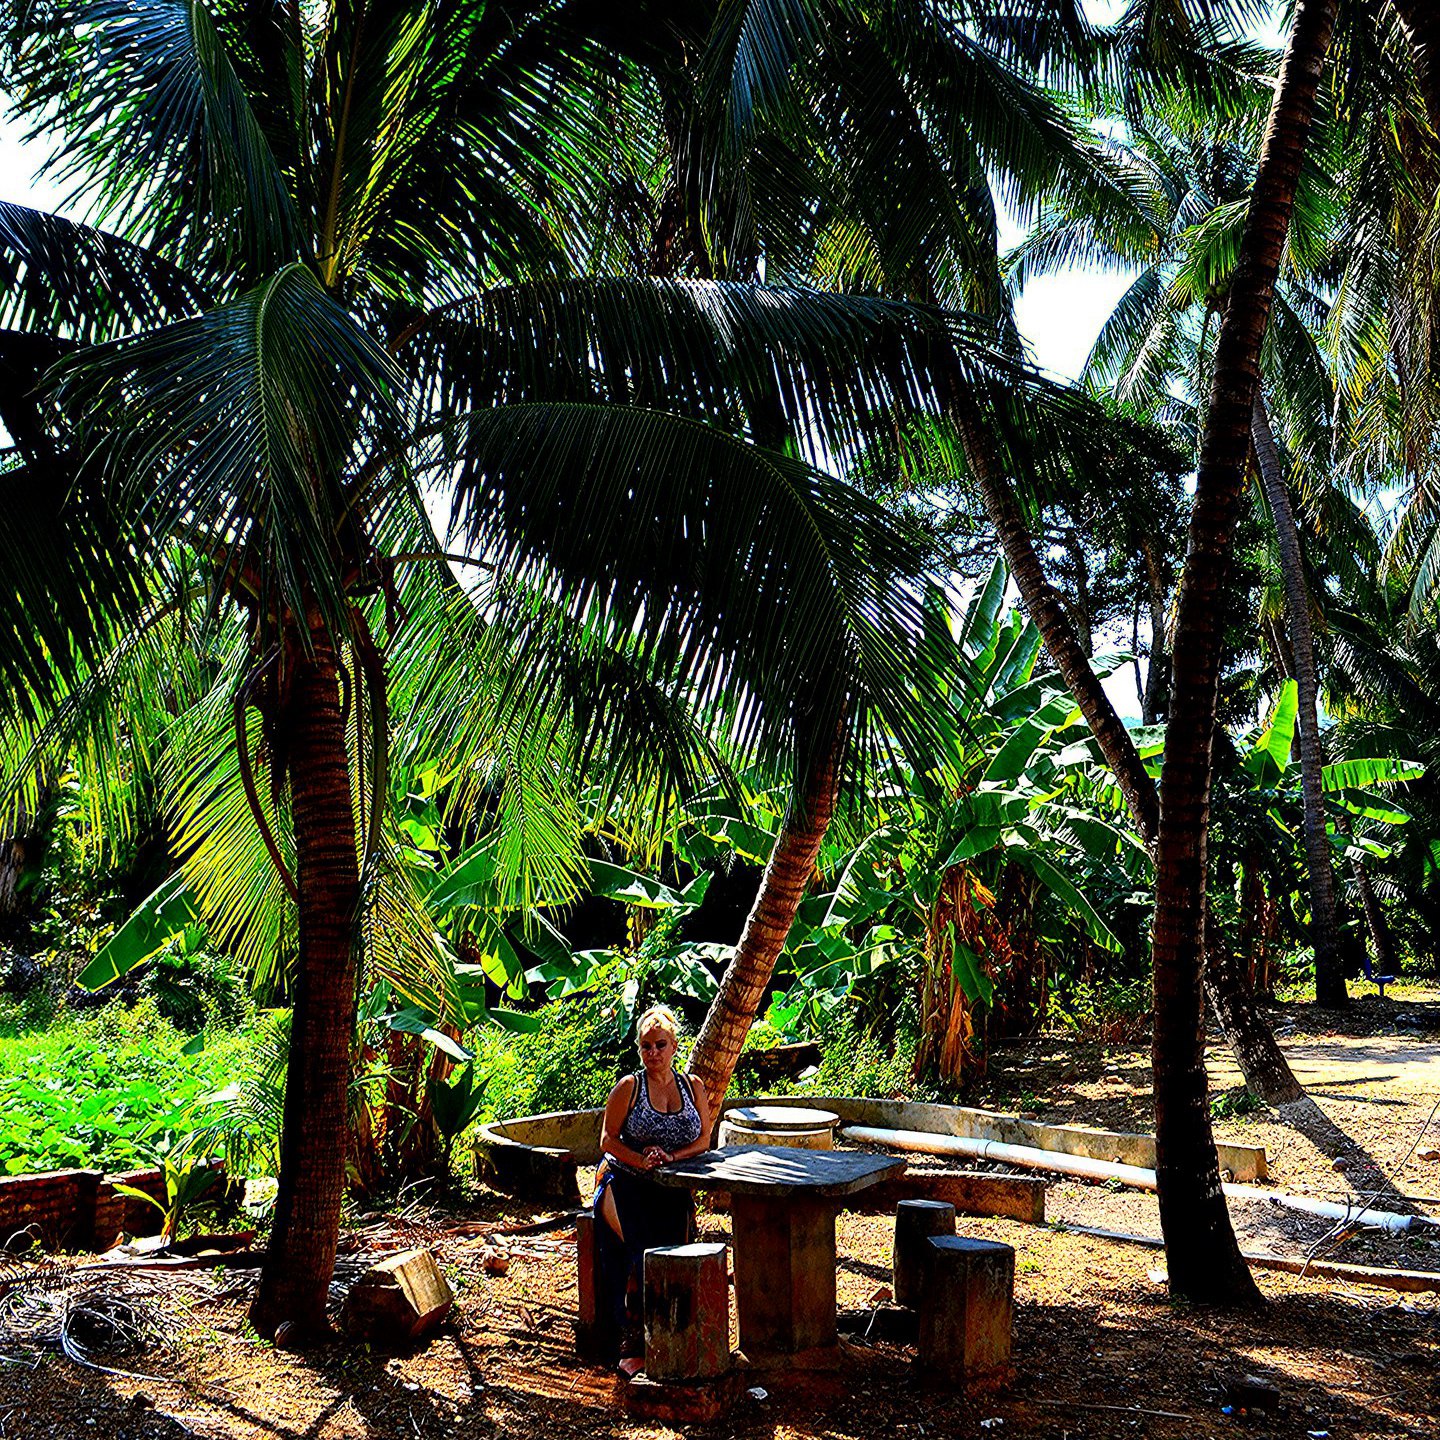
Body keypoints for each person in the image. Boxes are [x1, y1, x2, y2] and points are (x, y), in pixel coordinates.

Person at [593, 1004, 712, 1375]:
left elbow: (705, 1140)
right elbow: (607, 1140)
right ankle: (630, 1336)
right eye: (646, 1046)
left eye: (660, 1045)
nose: (653, 1053)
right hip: (623, 1180)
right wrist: (639, 1158)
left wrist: (672, 1156)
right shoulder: (629, 1087)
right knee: (640, 1248)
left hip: (670, 1185)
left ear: (674, 1046)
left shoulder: (693, 1087)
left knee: (675, 1250)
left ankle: (672, 1331)